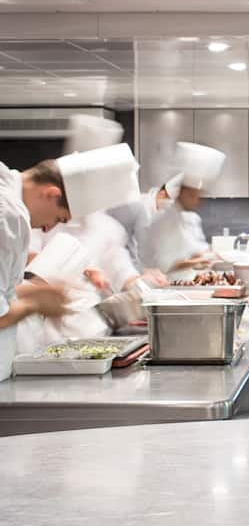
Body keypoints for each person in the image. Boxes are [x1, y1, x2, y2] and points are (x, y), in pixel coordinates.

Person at [0, 143, 140, 379]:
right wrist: (36, 304)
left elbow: (5, 294)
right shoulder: (9, 215)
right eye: (59, 218)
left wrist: (34, 295)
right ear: (51, 194)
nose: (48, 228)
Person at [137, 142, 225, 279]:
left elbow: (193, 250)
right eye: (193, 195)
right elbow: (165, 266)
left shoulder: (186, 218)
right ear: (182, 192)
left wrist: (206, 256)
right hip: (165, 288)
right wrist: (200, 261)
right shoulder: (164, 222)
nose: (198, 201)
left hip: (184, 284)